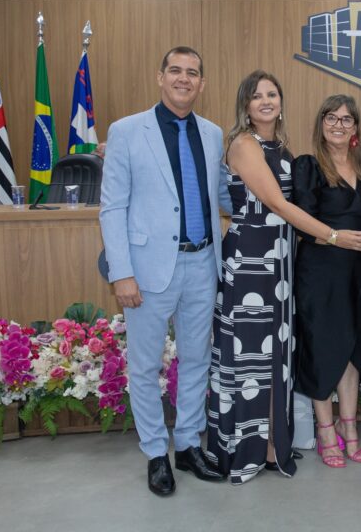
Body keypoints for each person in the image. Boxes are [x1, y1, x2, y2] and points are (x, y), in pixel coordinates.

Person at [205, 72, 361, 485]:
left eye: (272, 94)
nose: (265, 101)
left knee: (275, 356)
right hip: (252, 259)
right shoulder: (244, 143)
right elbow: (277, 203)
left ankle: (272, 443)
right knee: (249, 355)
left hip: (282, 260)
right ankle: (245, 447)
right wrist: (336, 236)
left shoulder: (281, 148)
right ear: (245, 104)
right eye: (257, 96)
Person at [100, 46, 228, 496]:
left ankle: (188, 445)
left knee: (196, 360)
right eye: (175, 70)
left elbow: (221, 195)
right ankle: (156, 453)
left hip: (203, 263)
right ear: (160, 77)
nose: (183, 79)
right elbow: (112, 207)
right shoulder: (126, 131)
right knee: (145, 366)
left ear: (202, 83)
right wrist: (121, 273)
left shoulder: (213, 134)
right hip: (147, 270)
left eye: (192, 72)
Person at [293, 95, 361, 468]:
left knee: (351, 352)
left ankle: (350, 426)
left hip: (358, 271)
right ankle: (326, 430)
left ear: (356, 127)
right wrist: (336, 237)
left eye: (346, 119)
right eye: (331, 118)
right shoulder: (308, 165)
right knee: (321, 349)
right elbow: (300, 221)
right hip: (320, 270)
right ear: (321, 124)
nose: (338, 125)